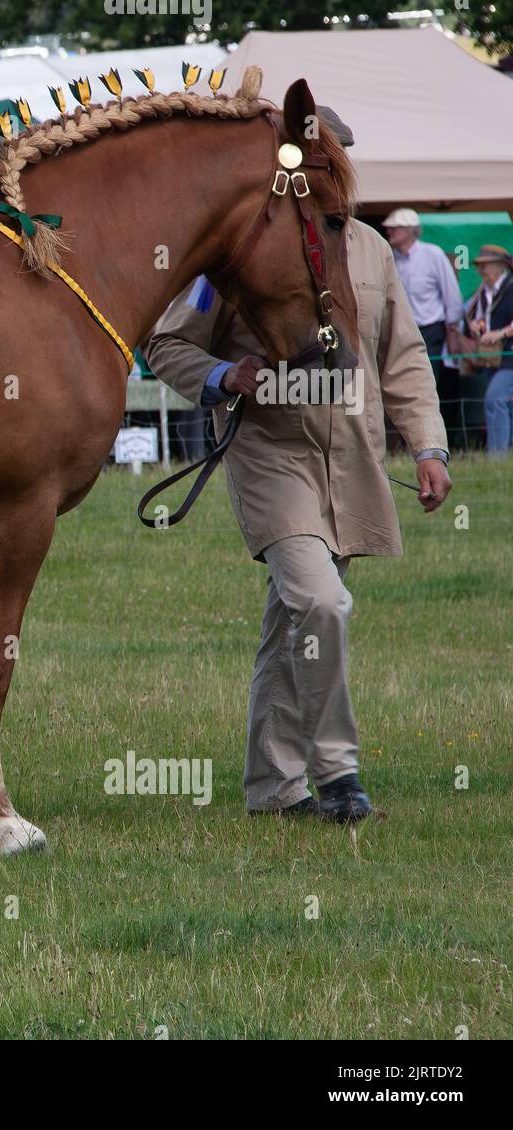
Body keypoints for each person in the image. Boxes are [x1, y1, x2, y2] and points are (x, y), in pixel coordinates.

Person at [146, 108, 451, 823]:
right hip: (272, 456)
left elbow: (403, 357)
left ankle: (273, 791)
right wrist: (228, 377)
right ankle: (338, 775)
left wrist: (429, 445)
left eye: (336, 165)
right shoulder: (240, 252)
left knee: (294, 625)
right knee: (321, 602)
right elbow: (167, 347)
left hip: (355, 462)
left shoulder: (374, 251)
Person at [382, 207, 464, 398]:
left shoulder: (432, 254)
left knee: (427, 383)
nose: (389, 231)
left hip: (430, 330)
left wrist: (452, 331)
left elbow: (451, 294)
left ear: (409, 230)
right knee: (403, 383)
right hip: (399, 331)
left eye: (394, 227)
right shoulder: (389, 259)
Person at [463, 244, 513, 455]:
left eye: (485, 266)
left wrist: (501, 333)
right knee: (506, 405)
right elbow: (468, 315)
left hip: (509, 355)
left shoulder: (511, 287)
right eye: (479, 267)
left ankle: (497, 456)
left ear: (500, 266)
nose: (481, 271)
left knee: (495, 398)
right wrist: (476, 325)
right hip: (493, 358)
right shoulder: (483, 292)